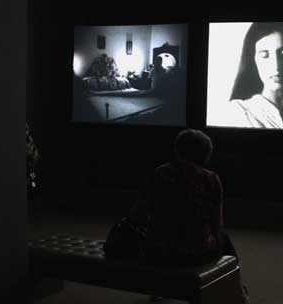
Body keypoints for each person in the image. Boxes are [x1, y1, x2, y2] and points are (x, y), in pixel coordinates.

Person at [103, 129, 249, 303]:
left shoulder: (161, 173)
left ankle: (159, 289)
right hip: (201, 253)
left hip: (160, 252)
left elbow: (137, 215)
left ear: (177, 150)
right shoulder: (211, 179)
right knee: (224, 238)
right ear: (206, 154)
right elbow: (217, 223)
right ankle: (238, 291)